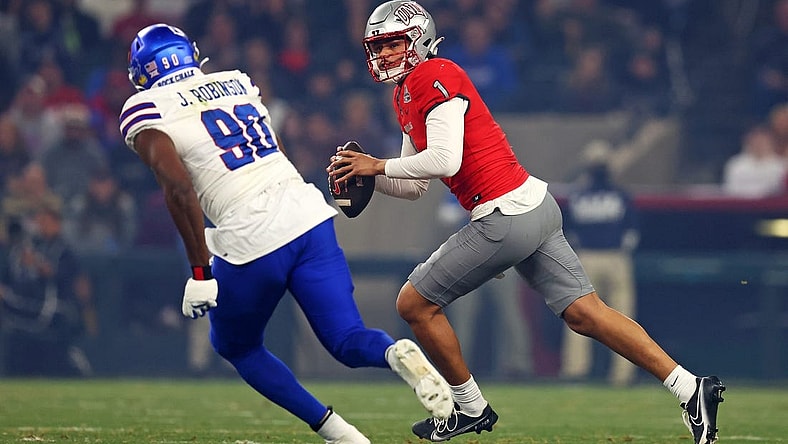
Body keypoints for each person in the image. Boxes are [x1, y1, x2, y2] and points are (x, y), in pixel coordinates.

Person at [327, 2, 725, 443]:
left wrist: (376, 165)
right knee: (587, 314)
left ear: (418, 39)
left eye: (392, 43)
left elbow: (444, 159)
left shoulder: (431, 76)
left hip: (503, 216)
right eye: (377, 46)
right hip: (534, 206)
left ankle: (470, 408)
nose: (383, 55)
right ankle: (691, 387)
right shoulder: (406, 91)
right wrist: (366, 174)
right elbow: (417, 184)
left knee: (412, 304)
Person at [118, 24, 452, 444]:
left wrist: (200, 273)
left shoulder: (145, 107)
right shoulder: (236, 82)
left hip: (250, 235)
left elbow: (179, 187)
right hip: (308, 215)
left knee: (236, 346)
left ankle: (340, 434)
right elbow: (271, 149)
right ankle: (393, 352)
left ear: (142, 72)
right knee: (347, 339)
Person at [561, 140, 639, 386]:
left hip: (586, 259)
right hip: (615, 257)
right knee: (623, 318)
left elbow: (569, 233)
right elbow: (632, 234)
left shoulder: (577, 196)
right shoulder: (620, 196)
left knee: (579, 315)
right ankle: (622, 374)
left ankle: (575, 370)